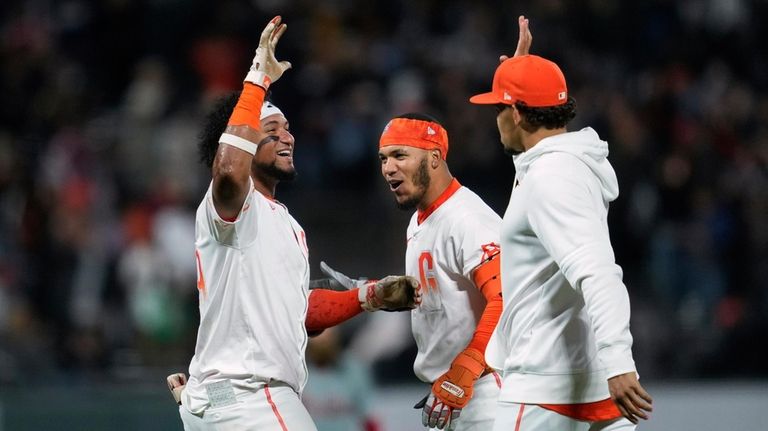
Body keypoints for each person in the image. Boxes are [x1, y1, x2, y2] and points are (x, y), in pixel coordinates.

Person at [169, 16, 419, 431]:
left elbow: (296, 309)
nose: (288, 137)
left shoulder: (283, 221)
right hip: (251, 397)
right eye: (272, 130)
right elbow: (230, 169)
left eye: (287, 128)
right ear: (243, 142)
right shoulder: (231, 203)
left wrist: (368, 297)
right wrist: (257, 80)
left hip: (221, 398)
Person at [321, 17, 533, 431]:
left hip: (485, 395)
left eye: (400, 155)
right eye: (383, 158)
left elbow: (506, 298)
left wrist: (464, 373)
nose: (388, 168)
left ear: (434, 157)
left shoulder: (465, 217)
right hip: (454, 397)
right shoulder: (421, 220)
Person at [468, 15, 654, 431]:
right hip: (583, 379)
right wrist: (520, 75)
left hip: (546, 384)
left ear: (516, 114)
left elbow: (598, 271)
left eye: (499, 107)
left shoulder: (552, 177)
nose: (494, 116)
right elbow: (530, 158)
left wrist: (619, 359)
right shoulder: (555, 164)